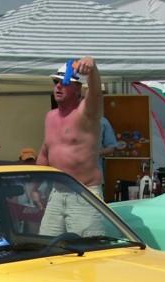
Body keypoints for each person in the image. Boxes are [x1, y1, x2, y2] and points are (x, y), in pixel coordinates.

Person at [36, 57, 105, 236]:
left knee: (87, 248)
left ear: (77, 89)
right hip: (57, 193)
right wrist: (34, 187)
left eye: (65, 83)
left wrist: (92, 69)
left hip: (84, 194)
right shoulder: (50, 117)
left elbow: (96, 94)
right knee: (47, 246)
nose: (58, 86)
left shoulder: (86, 113)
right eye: (56, 82)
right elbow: (45, 151)